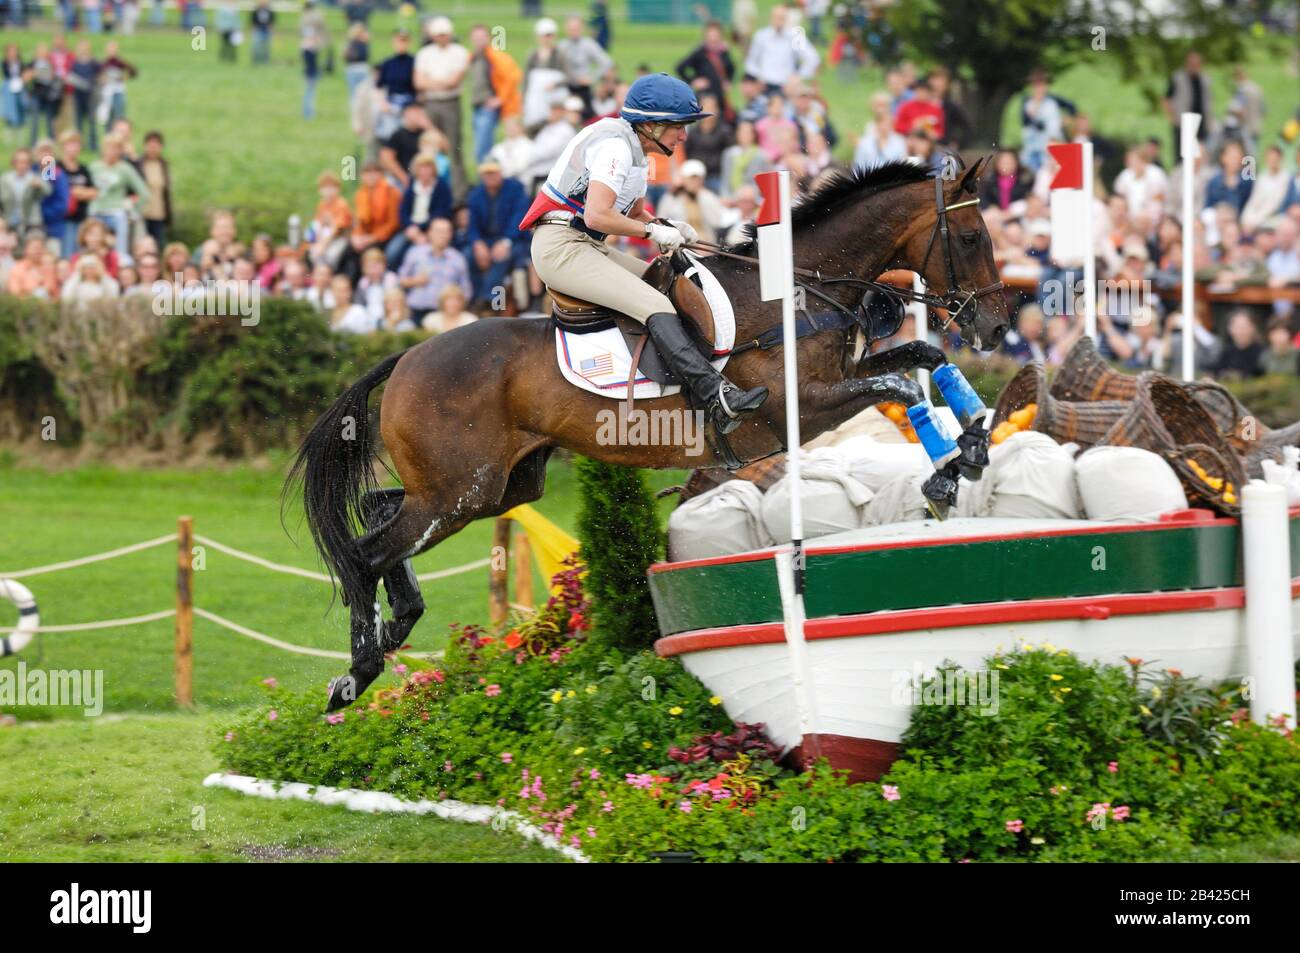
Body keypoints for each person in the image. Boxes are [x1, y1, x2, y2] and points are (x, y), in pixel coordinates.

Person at [520, 72, 768, 435]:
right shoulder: (616, 148)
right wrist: (653, 232)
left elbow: (633, 214)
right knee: (656, 305)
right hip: (562, 248)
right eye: (678, 126)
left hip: (585, 244)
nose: (684, 135)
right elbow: (598, 215)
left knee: (667, 282)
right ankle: (715, 398)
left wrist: (669, 225)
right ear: (650, 125)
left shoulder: (635, 150)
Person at [414, 16, 469, 198]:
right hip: (431, 103)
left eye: (444, 35)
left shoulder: (459, 52)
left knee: (453, 147)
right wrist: (440, 83)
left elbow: (453, 82)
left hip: (451, 103)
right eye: (438, 35)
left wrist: (432, 83)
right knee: (430, 145)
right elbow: (419, 82)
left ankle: (459, 193)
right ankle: (432, 190)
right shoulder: (425, 54)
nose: (441, 38)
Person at [467, 23, 522, 166]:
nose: (479, 40)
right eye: (476, 37)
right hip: (477, 107)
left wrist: (500, 99)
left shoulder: (495, 56)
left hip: (488, 108)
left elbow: (513, 76)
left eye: (482, 37)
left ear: (488, 38)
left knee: (482, 150)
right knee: (479, 148)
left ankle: (486, 180)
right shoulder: (473, 57)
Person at [399, 216, 471, 325]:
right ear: (429, 233)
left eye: (447, 231)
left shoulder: (458, 259)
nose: (443, 235)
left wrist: (454, 301)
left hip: (444, 316)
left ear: (451, 235)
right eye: (439, 231)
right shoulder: (415, 253)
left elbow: (466, 291)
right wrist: (415, 281)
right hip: (416, 312)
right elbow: (400, 280)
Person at [744, 4, 819, 94]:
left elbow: (813, 58)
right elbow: (750, 61)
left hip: (786, 84)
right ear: (770, 18)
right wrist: (758, 76)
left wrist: (799, 76)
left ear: (787, 19)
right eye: (776, 18)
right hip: (765, 83)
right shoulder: (761, 36)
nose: (778, 21)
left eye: (782, 18)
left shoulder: (795, 35)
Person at [675, 21, 734, 121]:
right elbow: (680, 68)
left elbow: (731, 68)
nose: (713, 39)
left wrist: (728, 81)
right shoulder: (699, 52)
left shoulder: (724, 52)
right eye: (711, 36)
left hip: (720, 98)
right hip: (705, 97)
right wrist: (693, 81)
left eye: (716, 36)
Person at [558, 14, 612, 120]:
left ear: (582, 28)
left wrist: (592, 77)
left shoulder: (588, 44)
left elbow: (606, 62)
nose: (573, 32)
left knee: (586, 119)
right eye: (571, 29)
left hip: (583, 90)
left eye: (576, 29)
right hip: (566, 88)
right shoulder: (562, 46)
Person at [138, 130, 171, 247]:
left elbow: (166, 191)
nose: (153, 148)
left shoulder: (164, 165)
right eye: (150, 145)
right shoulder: (139, 164)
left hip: (159, 214)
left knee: (158, 246)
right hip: (142, 214)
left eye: (156, 145)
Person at [250, 0, 275, 65]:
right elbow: (252, 21)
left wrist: (271, 31)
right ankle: (255, 61)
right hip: (258, 30)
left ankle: (265, 61)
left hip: (266, 30)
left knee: (266, 47)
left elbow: (272, 22)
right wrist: (254, 30)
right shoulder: (256, 11)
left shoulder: (270, 11)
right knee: (256, 46)